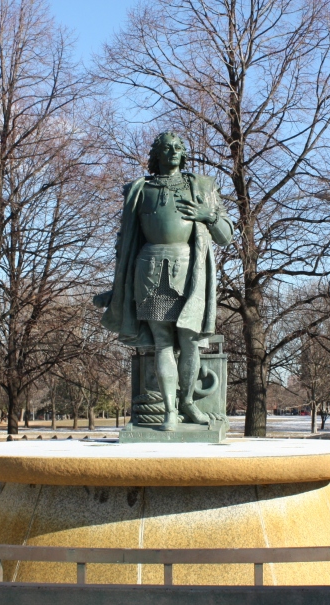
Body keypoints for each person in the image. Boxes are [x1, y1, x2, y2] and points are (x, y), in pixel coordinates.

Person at [98, 132, 233, 431]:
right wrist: (116, 288)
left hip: (190, 270)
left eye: (178, 148)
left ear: (184, 154)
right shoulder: (139, 189)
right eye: (166, 148)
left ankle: (187, 402)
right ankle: (170, 411)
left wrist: (208, 215)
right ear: (156, 154)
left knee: (190, 341)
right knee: (162, 342)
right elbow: (126, 242)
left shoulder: (202, 186)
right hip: (150, 269)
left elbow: (226, 236)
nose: (172, 152)